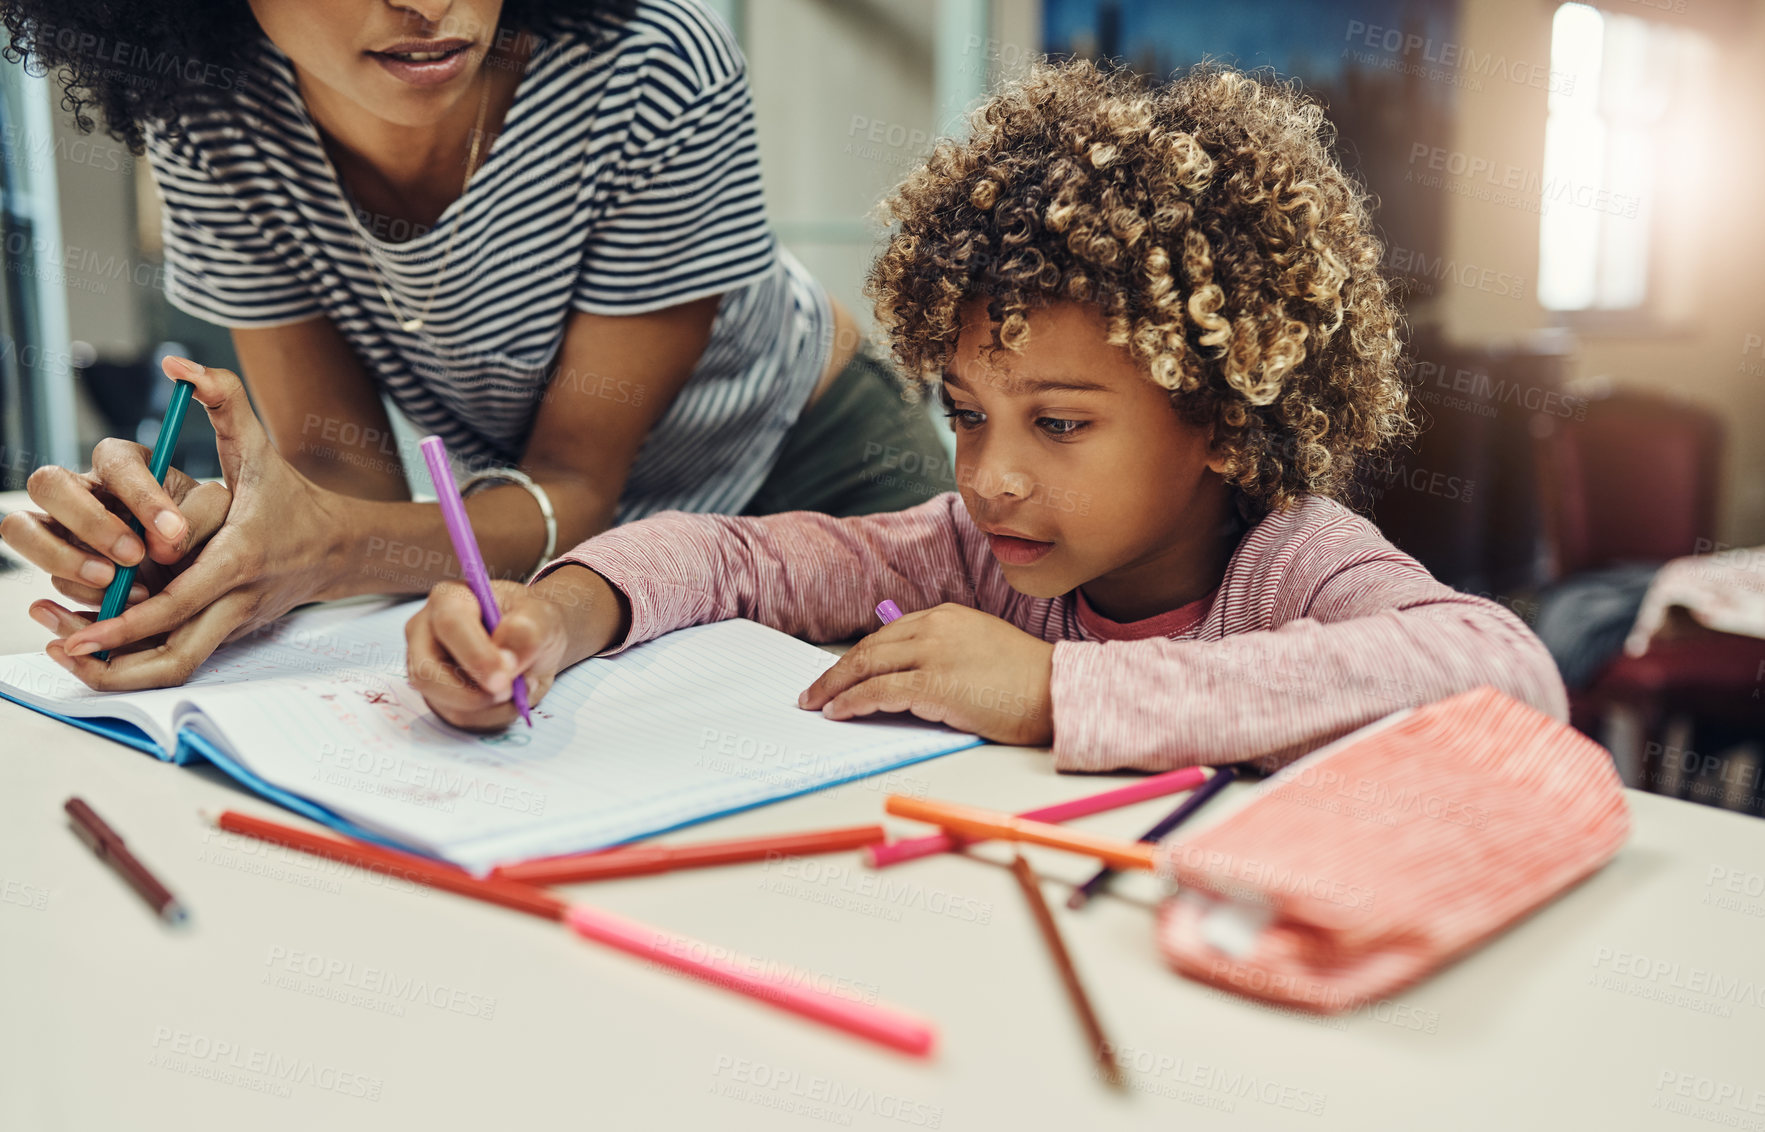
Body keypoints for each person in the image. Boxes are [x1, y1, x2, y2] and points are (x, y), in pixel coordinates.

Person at [406, 60, 1568, 770]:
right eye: (964, 414)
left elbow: (1502, 676)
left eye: (1058, 424)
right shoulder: (971, 555)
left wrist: (1053, 692)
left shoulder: (1293, 567)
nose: (988, 477)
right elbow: (735, 557)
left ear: (1220, 415)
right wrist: (554, 619)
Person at [0, 0, 952, 690]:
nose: (427, 3)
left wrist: (318, 548)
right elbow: (344, 468)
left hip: (814, 477)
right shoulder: (209, 113)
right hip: (564, 551)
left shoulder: (650, 64)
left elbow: (580, 486)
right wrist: (220, 541)